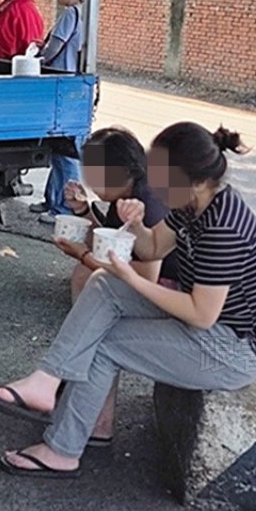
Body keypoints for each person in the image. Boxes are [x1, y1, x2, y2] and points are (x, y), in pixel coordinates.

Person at [0, 121, 256, 478]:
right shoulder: (193, 202)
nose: (155, 183)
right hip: (208, 323)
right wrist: (136, 225)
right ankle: (47, 381)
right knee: (103, 285)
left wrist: (132, 279)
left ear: (196, 179)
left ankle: (63, 449)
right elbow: (153, 247)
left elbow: (202, 314)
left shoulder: (224, 227)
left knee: (106, 343)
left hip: (232, 348)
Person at [50, 126, 177, 445]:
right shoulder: (127, 195)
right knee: (89, 278)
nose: (90, 181)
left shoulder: (149, 202)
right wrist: (82, 211)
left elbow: (145, 275)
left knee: (94, 290)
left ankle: (84, 409)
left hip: (172, 293)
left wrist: (83, 255)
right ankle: (86, 410)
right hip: (160, 286)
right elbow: (110, 244)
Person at [29, 0, 86, 223]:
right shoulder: (81, 14)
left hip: (62, 86)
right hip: (70, 86)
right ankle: (53, 199)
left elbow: (55, 48)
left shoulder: (69, 14)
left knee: (65, 152)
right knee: (58, 149)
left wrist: (37, 60)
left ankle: (63, 209)